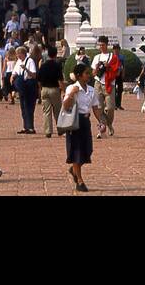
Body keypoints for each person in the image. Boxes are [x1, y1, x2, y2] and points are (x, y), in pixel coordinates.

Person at [61, 62, 103, 192]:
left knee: (87, 150)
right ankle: (79, 180)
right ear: (79, 76)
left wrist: (101, 121)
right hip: (74, 122)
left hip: (85, 121)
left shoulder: (91, 90)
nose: (89, 76)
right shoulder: (72, 88)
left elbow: (95, 107)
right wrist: (72, 93)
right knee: (76, 151)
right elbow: (65, 105)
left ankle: (74, 169)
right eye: (86, 73)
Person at [90, 36, 117, 137]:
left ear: (107, 45)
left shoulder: (112, 57)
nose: (101, 46)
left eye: (103, 45)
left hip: (109, 84)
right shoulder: (97, 57)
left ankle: (108, 124)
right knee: (99, 108)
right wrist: (97, 67)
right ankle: (102, 129)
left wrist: (108, 66)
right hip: (98, 83)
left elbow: (117, 71)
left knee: (110, 108)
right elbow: (93, 73)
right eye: (100, 45)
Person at [37, 44, 64, 138]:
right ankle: (60, 129)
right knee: (57, 110)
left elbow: (39, 80)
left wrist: (40, 89)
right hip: (54, 89)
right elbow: (60, 80)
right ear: (56, 54)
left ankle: (48, 131)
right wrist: (63, 90)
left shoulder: (43, 66)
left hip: (44, 89)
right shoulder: (57, 65)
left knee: (46, 111)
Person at [13, 43, 38, 133]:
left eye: (19, 54)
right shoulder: (19, 61)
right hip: (22, 85)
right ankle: (25, 126)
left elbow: (34, 75)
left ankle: (31, 127)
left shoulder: (30, 61)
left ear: (23, 53)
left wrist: (26, 69)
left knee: (29, 106)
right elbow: (15, 71)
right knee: (23, 106)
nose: (18, 56)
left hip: (29, 84)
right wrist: (13, 76)